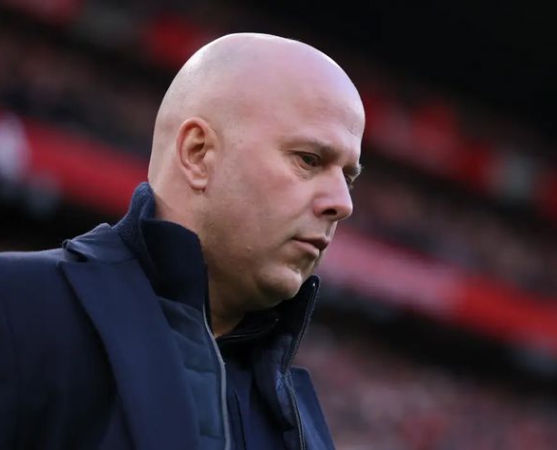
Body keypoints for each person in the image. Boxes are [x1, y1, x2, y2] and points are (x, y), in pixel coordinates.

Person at [0, 32, 365, 450]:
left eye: (348, 178)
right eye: (309, 160)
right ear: (197, 153)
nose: (343, 203)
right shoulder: (16, 308)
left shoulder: (302, 426)